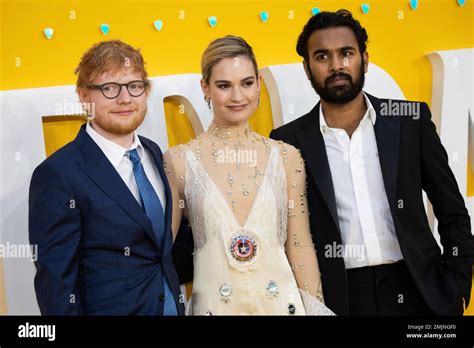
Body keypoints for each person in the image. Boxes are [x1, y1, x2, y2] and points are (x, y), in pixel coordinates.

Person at [270, 9, 474, 315]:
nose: (336, 65)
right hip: (340, 297)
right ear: (307, 68)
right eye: (322, 56)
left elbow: (453, 211)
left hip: (420, 289)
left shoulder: (409, 121)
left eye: (346, 53)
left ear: (364, 59)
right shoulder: (288, 140)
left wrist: (455, 287)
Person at [164, 35, 333, 315]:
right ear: (205, 88)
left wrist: (317, 310)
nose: (237, 96)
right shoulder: (180, 160)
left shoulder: (286, 157)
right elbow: (161, 252)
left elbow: (300, 246)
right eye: (223, 86)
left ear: (259, 84)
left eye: (246, 83)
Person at [28, 40, 184, 315]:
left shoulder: (152, 151)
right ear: (83, 96)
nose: (125, 99)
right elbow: (56, 287)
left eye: (134, 86)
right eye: (109, 88)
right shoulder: (57, 175)